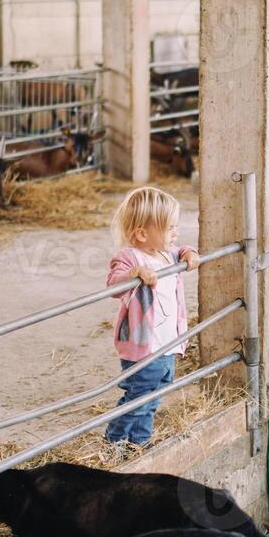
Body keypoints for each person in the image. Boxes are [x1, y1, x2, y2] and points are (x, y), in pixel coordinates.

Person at [103, 186, 199, 457]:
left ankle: (138, 444)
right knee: (138, 398)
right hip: (143, 347)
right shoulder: (131, 258)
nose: (175, 234)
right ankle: (114, 443)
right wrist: (135, 274)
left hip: (168, 344)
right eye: (169, 228)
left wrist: (189, 253)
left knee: (154, 397)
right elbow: (113, 284)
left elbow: (182, 248)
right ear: (142, 233)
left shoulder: (166, 253)